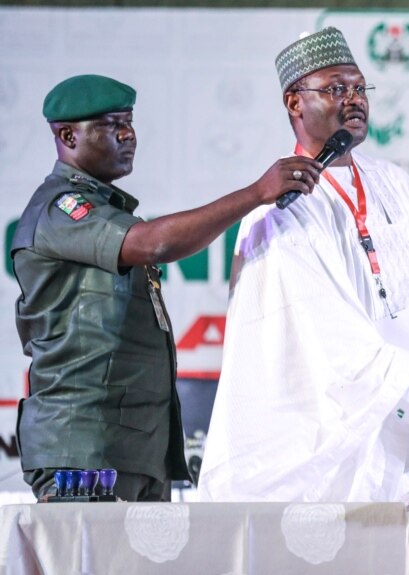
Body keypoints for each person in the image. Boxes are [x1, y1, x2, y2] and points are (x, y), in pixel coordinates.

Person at [198, 27, 409, 502]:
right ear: (294, 103)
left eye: (358, 88)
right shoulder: (277, 213)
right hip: (331, 448)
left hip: (408, 431)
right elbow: (322, 337)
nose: (354, 100)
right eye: (336, 88)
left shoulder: (391, 181)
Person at [13, 74, 323, 502]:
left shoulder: (107, 211)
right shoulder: (60, 208)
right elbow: (153, 243)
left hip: (135, 448)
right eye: (111, 124)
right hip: (83, 448)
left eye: (129, 122)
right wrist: (256, 193)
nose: (128, 135)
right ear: (67, 135)